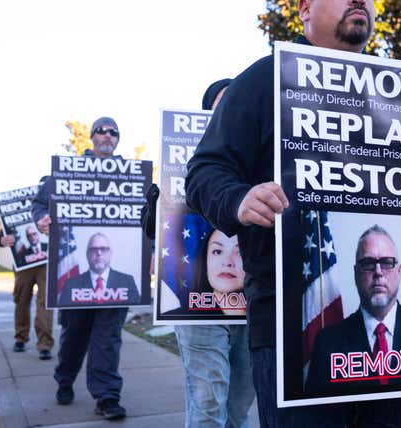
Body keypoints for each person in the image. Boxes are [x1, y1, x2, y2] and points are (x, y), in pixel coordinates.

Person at [185, 1, 401, 426]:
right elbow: (203, 173)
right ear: (305, 9)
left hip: (399, 361)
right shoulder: (264, 79)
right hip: (288, 329)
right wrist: (237, 198)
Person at [141, 78, 256, 428]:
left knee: (239, 405)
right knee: (208, 399)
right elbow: (160, 231)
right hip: (198, 308)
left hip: (254, 303)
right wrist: (155, 208)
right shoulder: (180, 156)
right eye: (221, 103)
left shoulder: (264, 151)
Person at [31, 116, 130, 420]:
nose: (107, 135)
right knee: (74, 334)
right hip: (76, 275)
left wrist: (149, 250)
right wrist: (42, 219)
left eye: (113, 132)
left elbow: (146, 214)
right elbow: (39, 204)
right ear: (91, 137)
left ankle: (107, 396)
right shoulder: (67, 172)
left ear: (117, 139)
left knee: (108, 336)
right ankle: (65, 379)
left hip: (116, 274)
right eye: (101, 130)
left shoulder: (130, 175)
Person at [305, 225, 401, 395]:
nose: (378, 272)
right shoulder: (327, 341)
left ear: (399, 271)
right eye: (368, 263)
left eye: (386, 262)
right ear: (356, 273)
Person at [0, 229, 53, 360]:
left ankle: (45, 344)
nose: (32, 237)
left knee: (45, 302)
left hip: (46, 263)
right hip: (22, 263)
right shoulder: (22, 247)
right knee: (21, 300)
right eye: (29, 235)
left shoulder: (47, 208)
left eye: (34, 234)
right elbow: (4, 228)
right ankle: (21, 338)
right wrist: (1, 240)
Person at [58, 233, 140, 306]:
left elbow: (134, 312)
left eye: (103, 249)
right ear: (87, 254)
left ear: (110, 253)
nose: (99, 253)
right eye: (94, 249)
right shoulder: (71, 284)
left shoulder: (127, 281)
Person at [191, 228, 247, 316]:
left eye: (240, 253)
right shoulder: (181, 319)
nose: (227, 262)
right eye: (217, 252)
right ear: (205, 262)